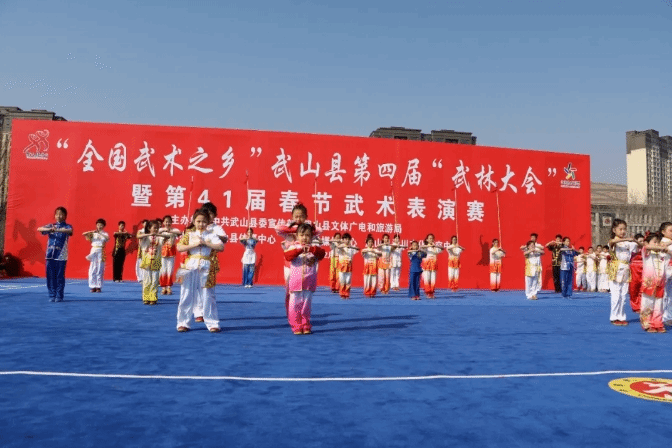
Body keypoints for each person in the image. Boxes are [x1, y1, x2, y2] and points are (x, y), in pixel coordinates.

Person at [176, 209, 225, 333]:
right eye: (198, 221)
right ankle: (183, 322)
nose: (201, 224)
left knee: (208, 295)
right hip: (190, 265)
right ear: (194, 221)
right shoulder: (189, 234)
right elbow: (179, 247)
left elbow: (221, 247)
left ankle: (212, 323)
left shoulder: (211, 235)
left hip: (206, 265)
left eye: (203, 221)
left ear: (207, 222)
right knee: (186, 294)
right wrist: (194, 245)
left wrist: (206, 243)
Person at [283, 223, 326, 334]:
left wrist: (311, 249)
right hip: (295, 283)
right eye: (302, 235)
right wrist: (300, 250)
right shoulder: (293, 247)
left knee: (306, 306)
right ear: (297, 236)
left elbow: (322, 254)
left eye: (307, 235)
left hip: (309, 283)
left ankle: (306, 324)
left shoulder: (314, 249)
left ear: (311, 237)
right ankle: (296, 326)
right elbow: (287, 256)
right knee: (294, 305)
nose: (304, 238)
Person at [193, 202, 228, 322]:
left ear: (215, 215)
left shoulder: (216, 228)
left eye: (211, 214)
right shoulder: (196, 226)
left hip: (210, 261)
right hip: (196, 260)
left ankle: (208, 313)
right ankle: (198, 312)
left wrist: (213, 235)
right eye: (206, 213)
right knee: (197, 287)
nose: (208, 216)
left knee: (209, 288)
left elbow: (224, 239)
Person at [607, 219, 640, 326]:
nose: (623, 231)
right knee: (616, 295)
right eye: (620, 229)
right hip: (616, 269)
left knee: (623, 295)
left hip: (626, 268)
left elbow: (641, 246)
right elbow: (611, 243)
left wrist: (634, 241)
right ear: (614, 230)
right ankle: (614, 317)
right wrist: (627, 239)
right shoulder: (613, 242)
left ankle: (621, 316)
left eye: (624, 229)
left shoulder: (628, 243)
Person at [37, 206, 73, 302]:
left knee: (60, 276)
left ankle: (59, 295)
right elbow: (39, 229)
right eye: (57, 214)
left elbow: (69, 231)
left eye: (61, 214)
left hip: (61, 255)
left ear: (65, 216)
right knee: (50, 276)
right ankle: (52, 295)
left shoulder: (67, 226)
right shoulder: (51, 225)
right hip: (50, 254)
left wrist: (57, 230)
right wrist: (50, 229)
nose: (58, 216)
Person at [639, 233, 670, 333]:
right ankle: (647, 324)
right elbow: (646, 247)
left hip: (660, 283)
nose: (657, 244)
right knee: (647, 304)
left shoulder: (662, 254)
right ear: (647, 243)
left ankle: (657, 323)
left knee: (658, 305)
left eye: (658, 242)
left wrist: (666, 249)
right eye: (654, 242)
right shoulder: (647, 252)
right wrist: (660, 247)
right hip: (649, 284)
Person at [137, 220, 162, 305]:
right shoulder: (145, 238)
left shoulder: (159, 238)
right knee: (147, 281)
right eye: (154, 228)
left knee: (154, 281)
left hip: (156, 262)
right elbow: (138, 236)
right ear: (149, 228)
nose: (156, 229)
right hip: (146, 262)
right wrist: (149, 234)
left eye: (157, 228)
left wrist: (158, 234)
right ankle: (146, 297)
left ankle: (153, 298)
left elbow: (168, 236)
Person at [83, 218, 109, 293]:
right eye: (98, 225)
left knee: (100, 269)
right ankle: (92, 286)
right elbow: (84, 234)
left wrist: (100, 233)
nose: (99, 226)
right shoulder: (93, 233)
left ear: (103, 226)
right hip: (94, 250)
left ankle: (98, 286)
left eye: (101, 225)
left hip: (101, 251)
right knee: (92, 268)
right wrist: (92, 232)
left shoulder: (105, 234)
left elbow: (107, 238)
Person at [158, 215, 181, 296]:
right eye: (166, 222)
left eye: (169, 222)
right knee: (163, 270)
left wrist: (170, 231)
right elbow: (156, 233)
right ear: (163, 223)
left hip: (171, 252)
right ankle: (163, 287)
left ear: (171, 222)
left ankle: (168, 287)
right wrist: (165, 230)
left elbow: (179, 233)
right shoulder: (161, 230)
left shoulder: (174, 230)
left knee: (170, 270)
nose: (167, 223)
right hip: (162, 252)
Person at [335, 233, 359, 299]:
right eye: (345, 239)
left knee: (348, 281)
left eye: (348, 239)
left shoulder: (351, 248)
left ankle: (347, 293)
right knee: (342, 281)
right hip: (341, 267)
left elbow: (358, 249)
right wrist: (343, 245)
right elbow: (338, 247)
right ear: (343, 240)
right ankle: (342, 294)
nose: (347, 241)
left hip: (349, 267)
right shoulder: (341, 247)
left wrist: (350, 246)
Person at [420, 234, 443, 299]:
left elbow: (442, 248)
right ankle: (428, 292)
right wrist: (429, 245)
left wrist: (435, 246)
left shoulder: (435, 248)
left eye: (432, 238)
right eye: (429, 238)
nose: (431, 239)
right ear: (427, 239)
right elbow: (421, 247)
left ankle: (432, 292)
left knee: (433, 279)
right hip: (426, 264)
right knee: (427, 279)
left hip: (433, 264)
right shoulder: (426, 247)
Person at [659, 222, 672, 327]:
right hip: (664, 270)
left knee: (670, 295)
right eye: (670, 231)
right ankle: (661, 316)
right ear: (663, 232)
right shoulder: (661, 242)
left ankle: (669, 316)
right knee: (663, 294)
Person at [629, 234, 645, 312]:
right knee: (634, 287)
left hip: (644, 267)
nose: (642, 242)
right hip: (634, 268)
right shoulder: (633, 247)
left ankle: (641, 305)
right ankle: (635, 306)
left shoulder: (645, 248)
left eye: (643, 241)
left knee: (642, 287)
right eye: (640, 241)